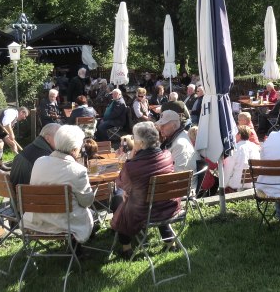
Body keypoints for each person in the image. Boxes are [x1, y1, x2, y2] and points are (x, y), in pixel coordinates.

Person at [110, 122, 181, 259]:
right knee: (155, 197)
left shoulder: (133, 166)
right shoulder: (167, 155)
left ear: (141, 143)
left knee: (119, 201)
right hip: (169, 206)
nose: (133, 140)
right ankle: (170, 243)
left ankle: (127, 249)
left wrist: (130, 157)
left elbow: (120, 183)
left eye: (134, 138)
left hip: (144, 212)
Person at [25, 125, 94, 246]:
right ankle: (77, 249)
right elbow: (87, 202)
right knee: (86, 211)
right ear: (74, 149)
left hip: (38, 221)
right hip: (66, 224)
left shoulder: (39, 162)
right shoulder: (78, 171)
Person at [156, 110, 197, 190]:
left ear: (174, 126)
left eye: (163, 125)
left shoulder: (180, 144)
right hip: (176, 188)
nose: (160, 128)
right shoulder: (179, 136)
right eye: (160, 125)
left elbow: (177, 175)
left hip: (181, 192)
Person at [223, 125, 260, 190]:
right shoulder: (255, 147)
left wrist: (223, 186)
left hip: (237, 184)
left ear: (239, 135)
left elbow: (227, 170)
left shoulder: (234, 149)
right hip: (254, 183)